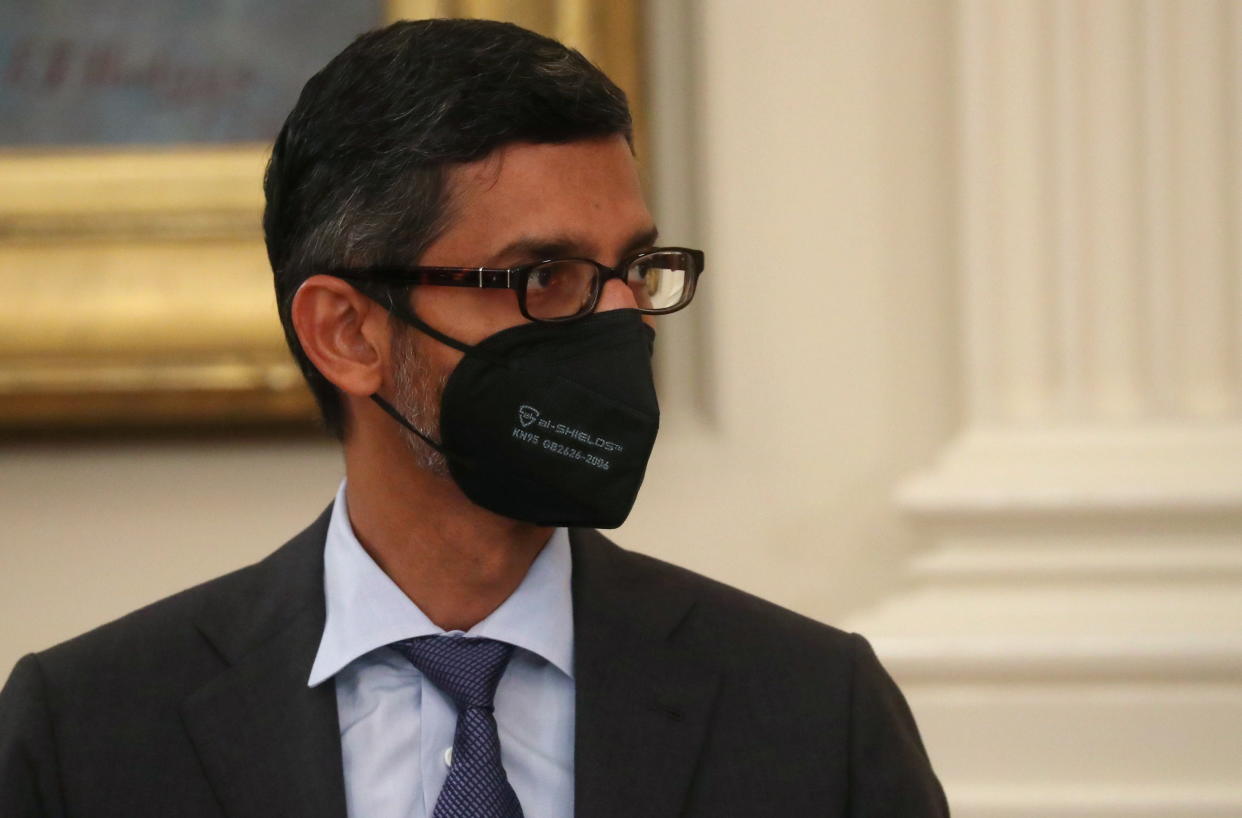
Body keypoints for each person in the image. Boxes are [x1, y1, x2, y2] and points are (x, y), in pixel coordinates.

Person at [0, 18, 948, 817]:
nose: (621, 323)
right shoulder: (85, 734)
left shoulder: (814, 715)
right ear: (348, 334)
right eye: (544, 277)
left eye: (633, 269)